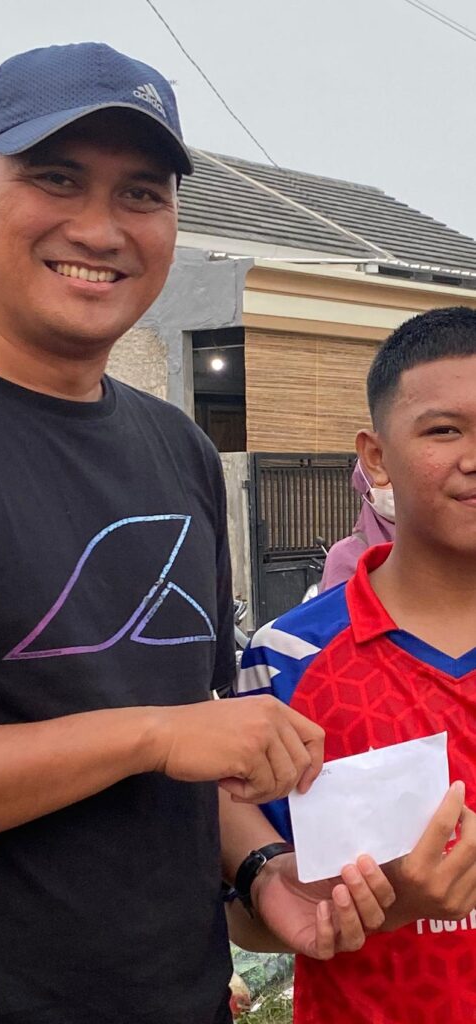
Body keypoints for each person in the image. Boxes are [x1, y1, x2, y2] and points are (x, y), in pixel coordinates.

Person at [0, 43, 390, 1024]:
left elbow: (194, 740)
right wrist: (152, 734)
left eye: (141, 193)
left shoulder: (177, 450)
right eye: (55, 178)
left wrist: (261, 867)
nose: (100, 226)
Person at [235, 305, 476, 1023]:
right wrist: (381, 902)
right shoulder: (286, 661)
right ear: (375, 457)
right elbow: (248, 913)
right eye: (444, 430)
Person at [319, 461, 395, 591]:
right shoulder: (345, 555)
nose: (395, 486)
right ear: (367, 487)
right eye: (385, 478)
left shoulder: (428, 549)